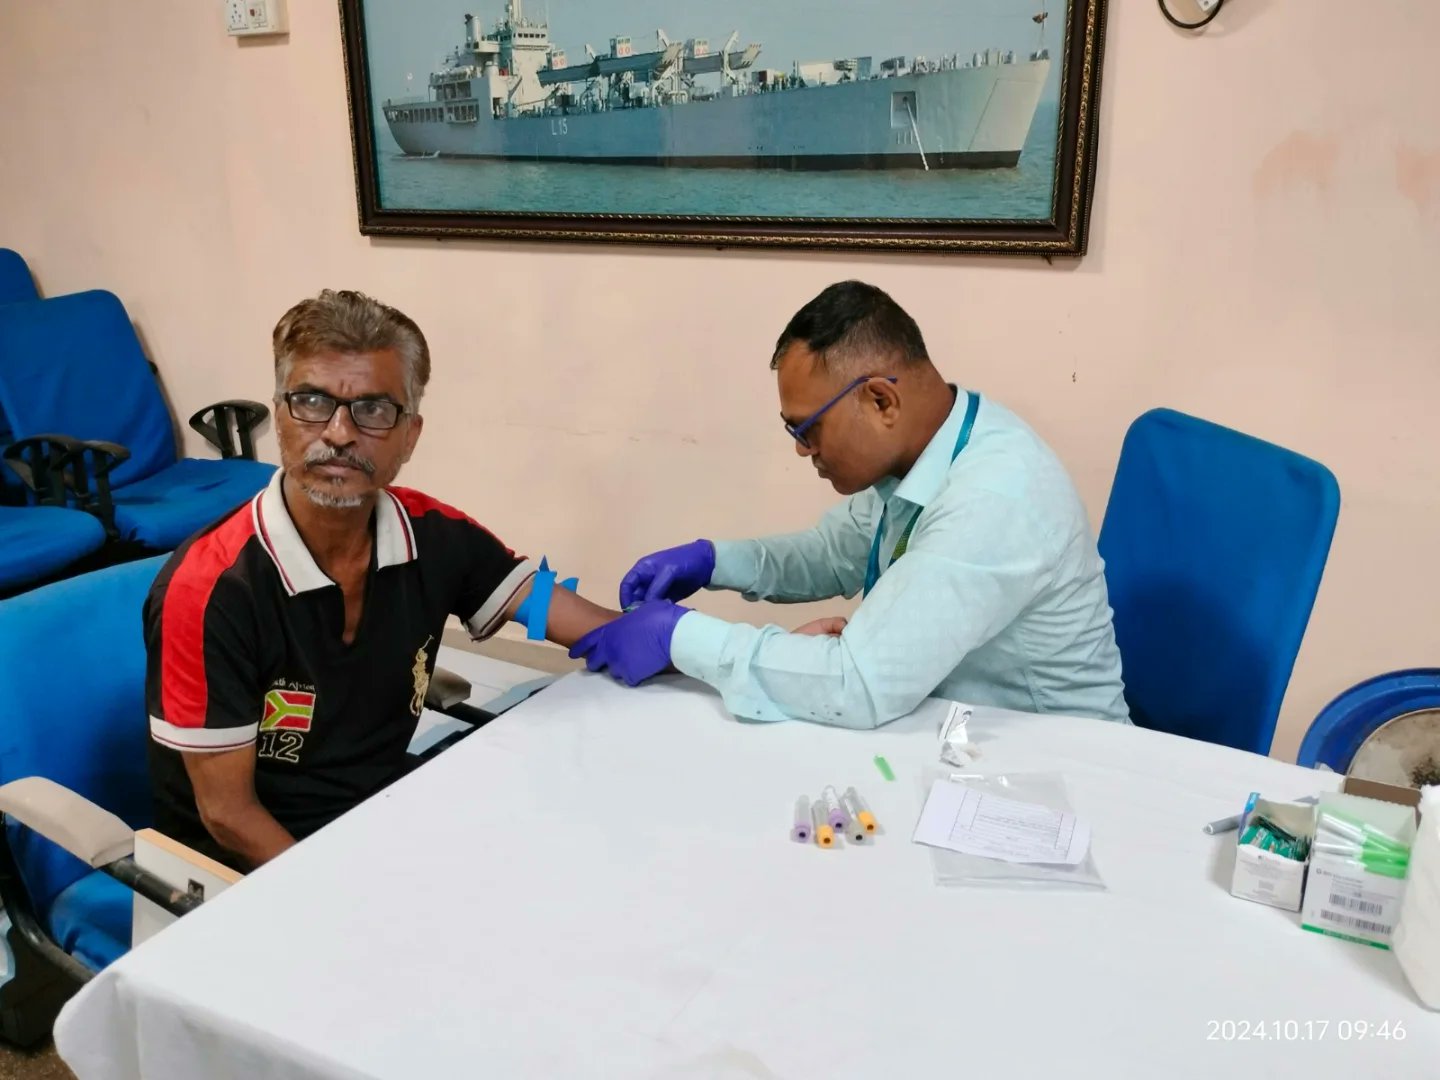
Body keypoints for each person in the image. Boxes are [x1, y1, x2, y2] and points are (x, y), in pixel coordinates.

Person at [144, 290, 616, 870]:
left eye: (373, 409)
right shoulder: (210, 590)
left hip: (381, 819)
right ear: (280, 416)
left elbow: (568, 617)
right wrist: (343, 902)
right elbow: (227, 816)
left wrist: (696, 644)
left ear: (411, 434)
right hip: (242, 872)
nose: (339, 433)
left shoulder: (436, 534)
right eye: (312, 401)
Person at [571, 280, 1129, 728]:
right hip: (958, 735)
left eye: (808, 427)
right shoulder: (931, 448)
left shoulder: (996, 496)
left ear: (881, 399)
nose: (799, 448)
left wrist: (679, 636)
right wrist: (713, 560)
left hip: (1061, 767)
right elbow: (833, 553)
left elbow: (856, 684)